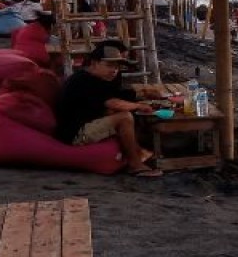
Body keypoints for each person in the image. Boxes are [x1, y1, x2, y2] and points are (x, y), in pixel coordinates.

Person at [54, 40, 162, 177]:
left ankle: (139, 152)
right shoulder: (83, 81)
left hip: (87, 122)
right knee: (125, 117)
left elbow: (115, 96)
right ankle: (135, 165)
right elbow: (113, 103)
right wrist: (139, 106)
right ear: (94, 63)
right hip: (75, 133)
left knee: (123, 114)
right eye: (109, 65)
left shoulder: (98, 78)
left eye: (116, 66)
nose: (114, 70)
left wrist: (142, 95)